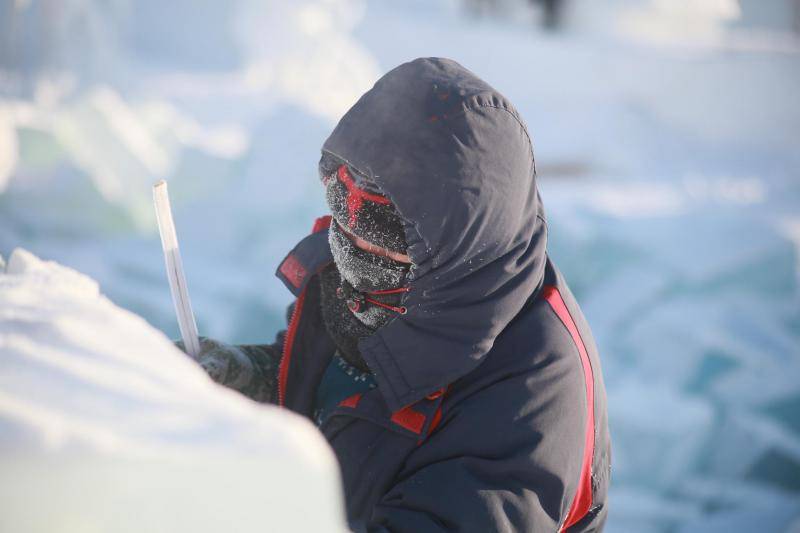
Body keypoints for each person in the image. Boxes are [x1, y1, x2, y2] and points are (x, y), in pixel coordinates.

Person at [181, 57, 611, 532]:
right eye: (343, 212)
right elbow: (335, 388)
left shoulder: (529, 401)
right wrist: (251, 383)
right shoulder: (366, 275)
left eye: (383, 233)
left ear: (454, 244)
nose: (353, 256)